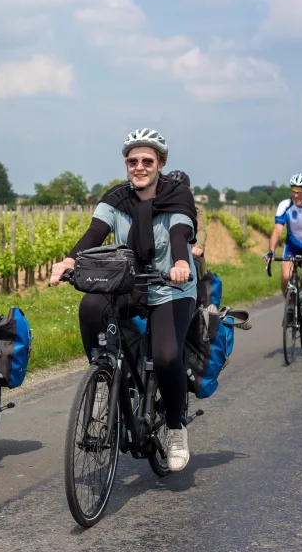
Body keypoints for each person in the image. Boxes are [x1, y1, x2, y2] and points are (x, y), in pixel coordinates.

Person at [50, 128, 198, 472]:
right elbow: (93, 234)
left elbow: (179, 233)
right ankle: (104, 375)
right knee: (90, 306)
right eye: (133, 161)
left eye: (148, 160)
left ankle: (176, 429)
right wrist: (70, 261)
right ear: (126, 164)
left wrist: (179, 263)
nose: (140, 167)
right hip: (129, 282)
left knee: (165, 357)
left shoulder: (178, 196)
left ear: (160, 163)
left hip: (170, 288)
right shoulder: (115, 199)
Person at [263, 173, 302, 332]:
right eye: (293, 190)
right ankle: (291, 306)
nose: (295, 195)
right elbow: (277, 230)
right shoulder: (285, 205)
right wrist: (271, 251)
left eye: (300, 191)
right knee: (285, 277)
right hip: (292, 247)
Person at [167, 169, 209, 306]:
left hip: (190, 255)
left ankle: (196, 306)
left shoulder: (194, 210)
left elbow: (201, 230)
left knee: (194, 269)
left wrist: (198, 247)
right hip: (165, 257)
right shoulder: (161, 208)